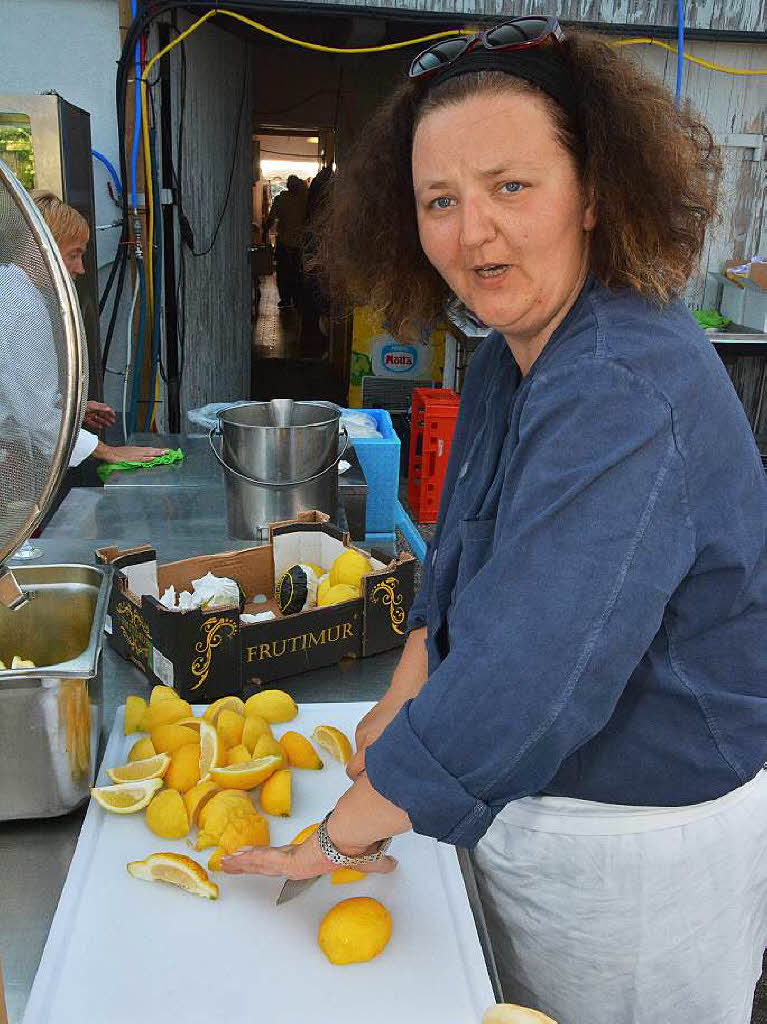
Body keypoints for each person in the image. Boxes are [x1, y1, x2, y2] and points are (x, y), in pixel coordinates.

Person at [221, 18, 767, 1024]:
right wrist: (405, 680)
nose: (471, 233)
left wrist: (339, 834)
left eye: (510, 186)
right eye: (439, 200)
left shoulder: (620, 382)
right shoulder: (513, 351)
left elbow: (531, 673)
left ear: (594, 192)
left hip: (631, 846)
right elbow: (463, 550)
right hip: (533, 803)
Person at [30, 191, 167, 467]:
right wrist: (109, 451)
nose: (80, 268)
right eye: (74, 255)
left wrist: (74, 410)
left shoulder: (27, 294)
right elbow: (35, 416)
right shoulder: (18, 306)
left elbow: (26, 394)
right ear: (42, 248)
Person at [264, 175, 307, 309]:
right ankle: (297, 300)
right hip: (299, 245)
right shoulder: (304, 200)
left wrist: (264, 232)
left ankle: (286, 299)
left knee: (283, 273)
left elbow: (271, 219)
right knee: (297, 273)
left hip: (285, 244)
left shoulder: (281, 199)